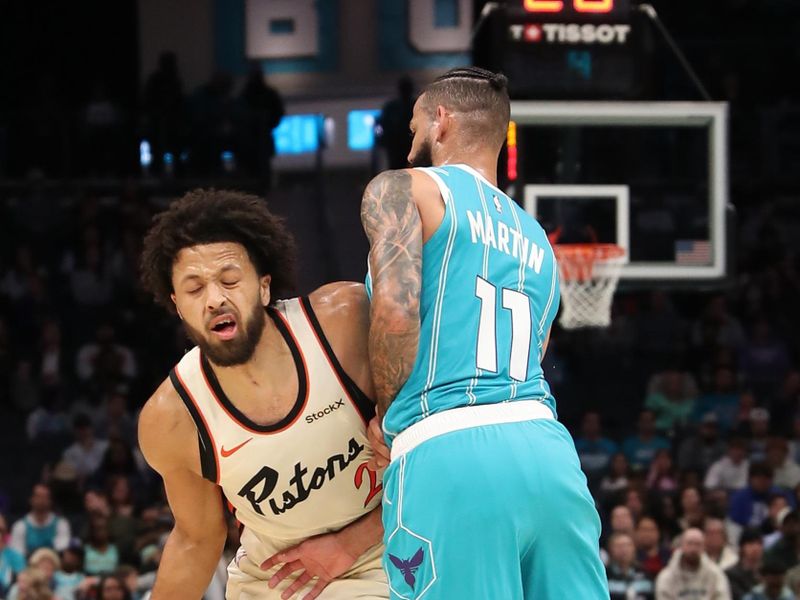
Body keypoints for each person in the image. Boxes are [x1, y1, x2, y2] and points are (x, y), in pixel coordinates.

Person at [361, 67, 607, 598]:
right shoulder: (538, 238)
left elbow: (397, 313)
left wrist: (384, 417)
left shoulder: (405, 189)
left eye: (414, 127)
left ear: (441, 121)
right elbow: (537, 350)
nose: (409, 145)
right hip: (550, 456)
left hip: (450, 453)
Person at [138, 189, 388, 599]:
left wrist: (350, 543)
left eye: (230, 280)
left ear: (264, 286)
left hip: (382, 552)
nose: (215, 299)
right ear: (177, 305)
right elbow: (196, 540)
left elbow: (433, 465)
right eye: (194, 288)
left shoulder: (345, 324)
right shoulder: (171, 419)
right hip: (275, 580)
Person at [654, 528, 731, 599]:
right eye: (689, 544)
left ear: (704, 547)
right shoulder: (666, 576)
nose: (693, 549)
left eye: (698, 544)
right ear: (681, 546)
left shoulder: (716, 574)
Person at [10, 484, 71, 556]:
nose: (41, 500)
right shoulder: (20, 526)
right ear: (31, 499)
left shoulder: (61, 524)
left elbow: (62, 551)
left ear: (50, 501)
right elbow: (17, 555)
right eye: (38, 496)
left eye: (45, 497)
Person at [606, 532, 654, 600]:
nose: (624, 550)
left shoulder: (645, 573)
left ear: (634, 548)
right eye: (619, 546)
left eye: (627, 545)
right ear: (610, 549)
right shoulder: (605, 575)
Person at [726, 528, 765, 600]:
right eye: (751, 543)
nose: (755, 548)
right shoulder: (731, 574)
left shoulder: (767, 572)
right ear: (742, 547)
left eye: (759, 543)